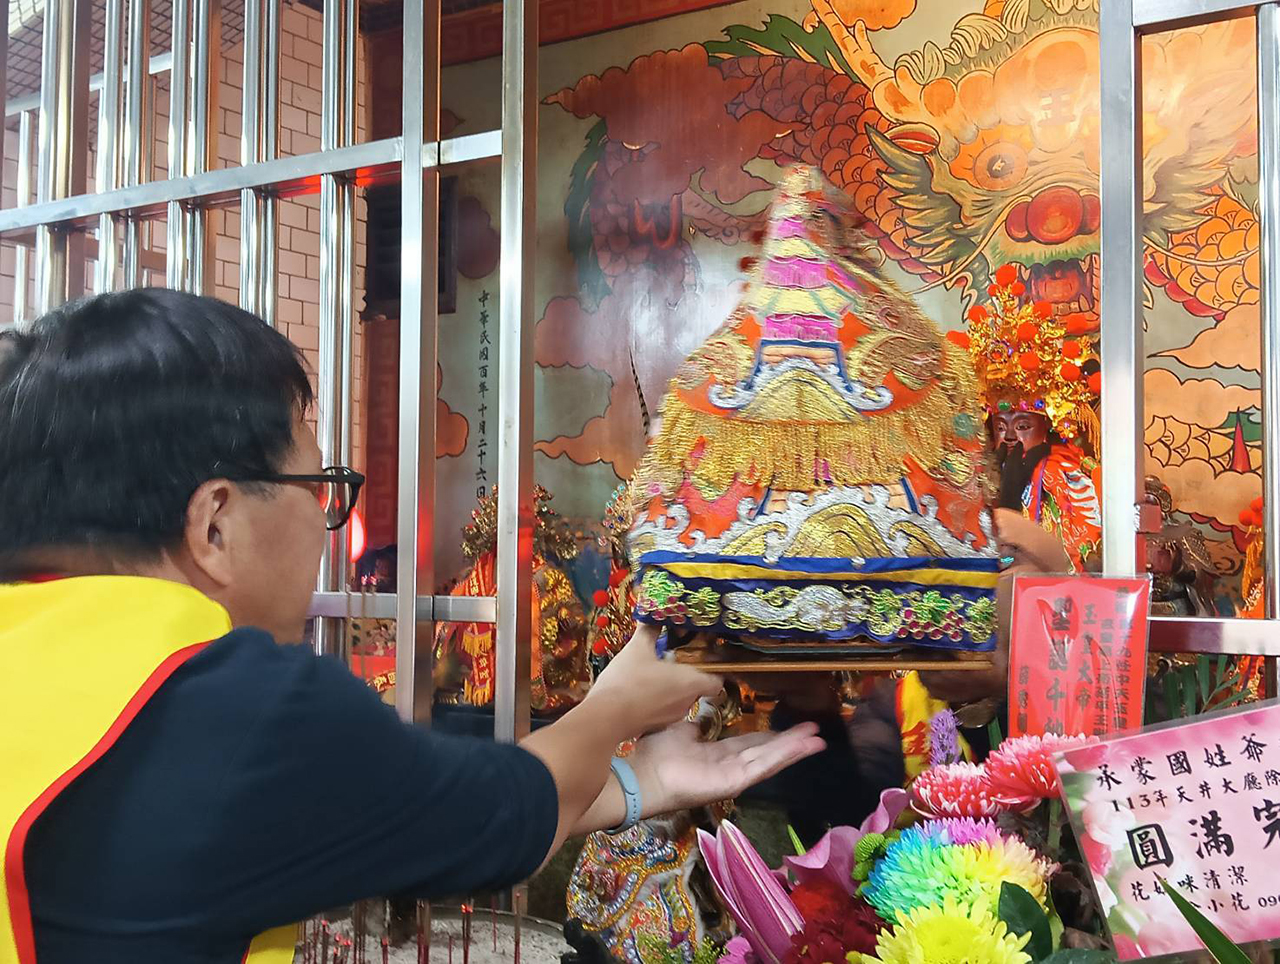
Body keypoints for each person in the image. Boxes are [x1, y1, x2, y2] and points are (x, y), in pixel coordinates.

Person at [0, 289, 825, 964]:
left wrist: (642, 779)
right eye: (320, 488)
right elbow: (497, 817)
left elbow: (428, 812)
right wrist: (618, 705)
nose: (327, 522)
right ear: (215, 522)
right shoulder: (235, 708)